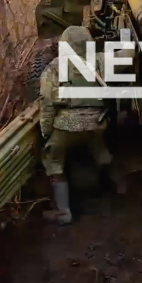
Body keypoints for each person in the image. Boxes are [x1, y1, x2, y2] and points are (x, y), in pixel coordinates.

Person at [38, 25, 122, 225]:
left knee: (53, 158)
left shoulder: (55, 67)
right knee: (100, 150)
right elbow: (126, 57)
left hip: (67, 125)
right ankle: (118, 186)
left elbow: (47, 102)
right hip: (97, 122)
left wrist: (46, 131)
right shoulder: (101, 60)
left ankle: (63, 212)